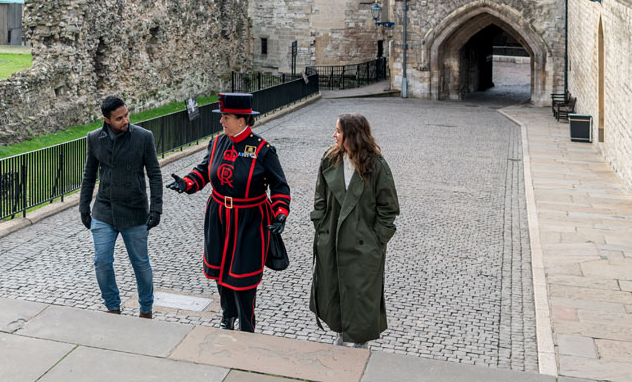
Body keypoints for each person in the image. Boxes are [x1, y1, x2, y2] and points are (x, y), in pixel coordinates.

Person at [167, 92, 290, 333]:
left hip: (249, 220)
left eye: (225, 117)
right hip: (219, 216)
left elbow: (279, 186)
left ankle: (247, 324)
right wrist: (187, 183)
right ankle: (228, 314)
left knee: (243, 277)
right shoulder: (217, 143)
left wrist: (280, 213)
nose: (221, 122)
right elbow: (204, 171)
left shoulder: (263, 150)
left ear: (242, 120)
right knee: (220, 270)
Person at [309, 113, 400, 349]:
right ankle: (340, 334)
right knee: (334, 289)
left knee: (360, 295)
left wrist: (376, 240)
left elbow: (388, 209)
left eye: (338, 130)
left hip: (363, 246)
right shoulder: (330, 160)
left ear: (352, 135)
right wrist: (321, 227)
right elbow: (320, 199)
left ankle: (361, 343)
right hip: (332, 241)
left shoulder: (377, 166)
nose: (334, 134)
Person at [79, 96, 163, 318]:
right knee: (102, 261)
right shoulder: (94, 138)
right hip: (104, 209)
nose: (125, 120)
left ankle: (146, 309)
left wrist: (156, 209)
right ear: (106, 119)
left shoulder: (144, 137)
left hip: (134, 210)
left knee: (140, 264)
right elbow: (89, 175)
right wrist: (83, 208)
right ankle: (112, 307)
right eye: (119, 118)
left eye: (126, 115)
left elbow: (154, 175)